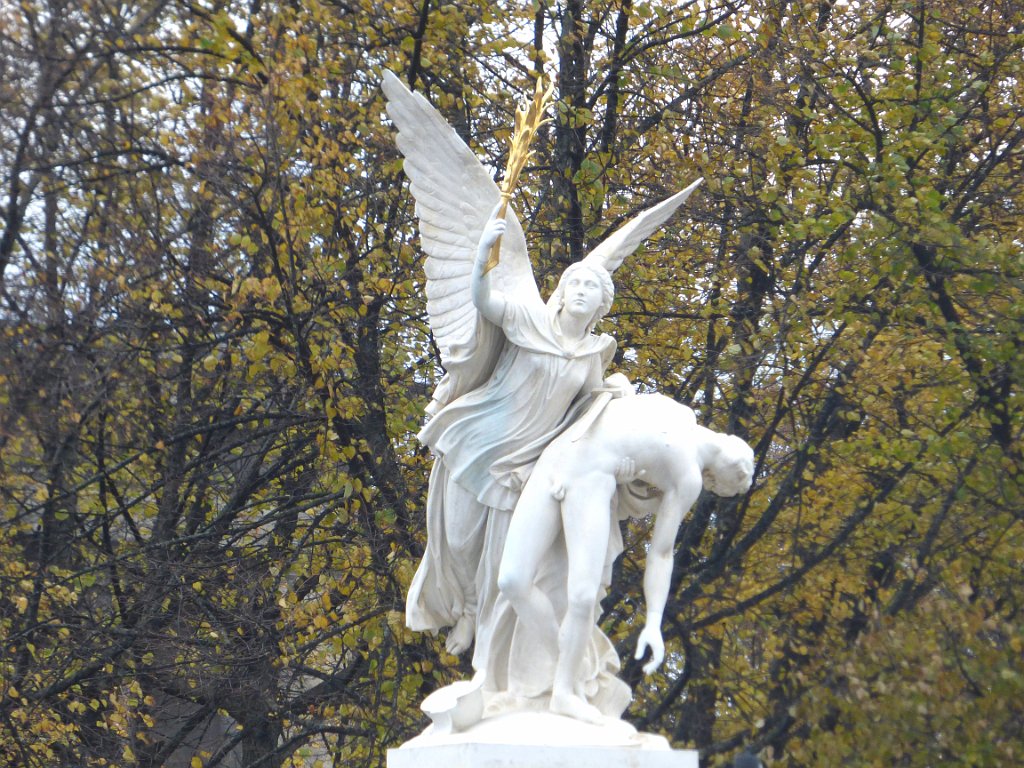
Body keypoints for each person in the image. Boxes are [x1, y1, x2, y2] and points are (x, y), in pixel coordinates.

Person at [406, 207, 618, 678]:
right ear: (561, 294)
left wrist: (614, 394)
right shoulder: (528, 319)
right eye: (575, 284)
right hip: (477, 437)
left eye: (592, 288)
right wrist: (484, 253)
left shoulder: (590, 356)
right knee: (458, 541)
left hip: (522, 466)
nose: (581, 292)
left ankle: (482, 634)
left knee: (503, 563)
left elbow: (588, 409)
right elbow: (484, 302)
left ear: (602, 305)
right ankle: (459, 606)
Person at [497, 392, 755, 722]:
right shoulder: (678, 413)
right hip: (558, 456)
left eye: (729, 482)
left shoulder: (688, 476)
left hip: (593, 480)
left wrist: (654, 621)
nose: (734, 464)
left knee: (582, 596)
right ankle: (570, 666)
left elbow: (662, 553)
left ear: (714, 479)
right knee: (512, 581)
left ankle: (563, 688)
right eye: (734, 479)